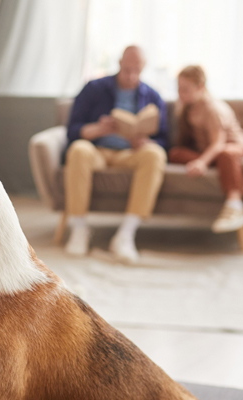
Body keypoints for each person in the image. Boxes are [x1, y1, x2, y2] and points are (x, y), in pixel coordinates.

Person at [63, 45, 168, 263]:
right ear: (119, 63)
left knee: (155, 154)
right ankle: (80, 228)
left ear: (143, 69)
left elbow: (166, 140)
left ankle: (126, 234)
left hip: (131, 154)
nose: (131, 75)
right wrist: (98, 129)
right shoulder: (94, 88)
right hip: (98, 150)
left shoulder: (153, 96)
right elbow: (72, 130)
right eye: (127, 69)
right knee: (79, 150)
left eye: (136, 70)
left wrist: (146, 141)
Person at [169, 65, 243, 233]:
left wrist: (201, 162)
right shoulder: (187, 107)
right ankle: (225, 167)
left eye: (185, 89)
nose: (180, 93)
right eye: (178, 89)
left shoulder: (213, 109)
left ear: (200, 87)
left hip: (228, 147)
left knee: (224, 154)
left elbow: (218, 143)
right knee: (175, 154)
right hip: (208, 151)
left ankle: (234, 205)